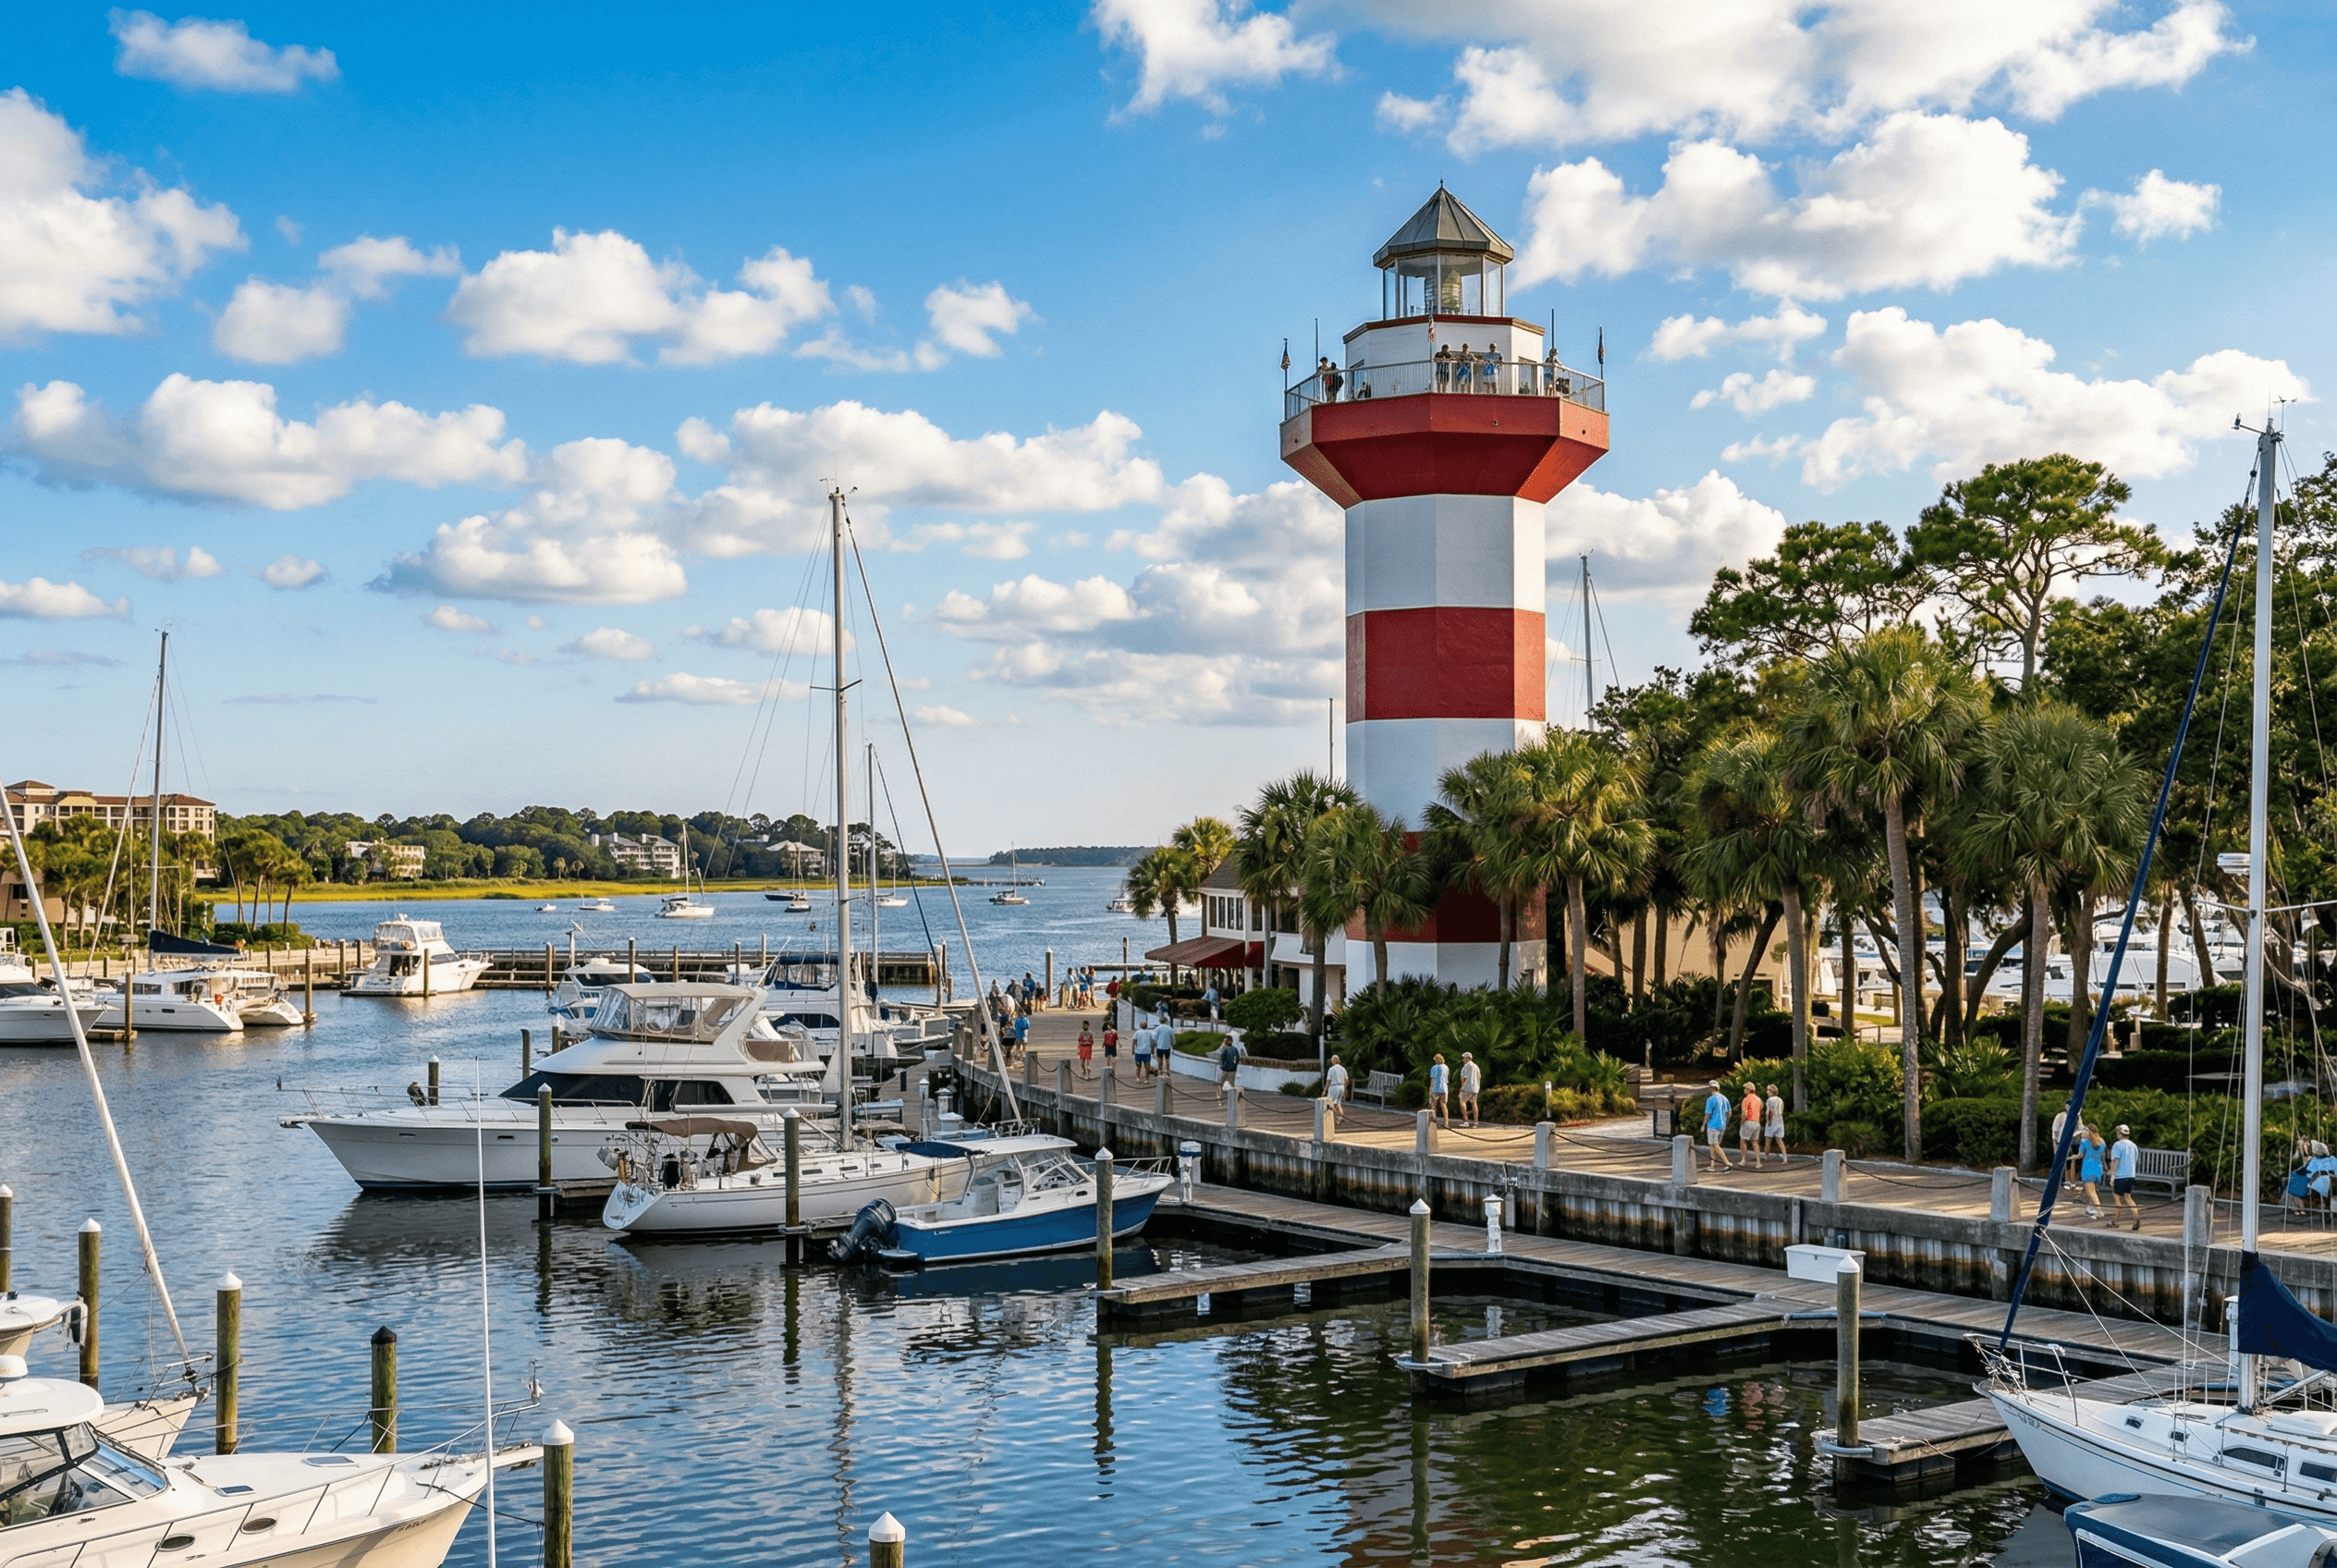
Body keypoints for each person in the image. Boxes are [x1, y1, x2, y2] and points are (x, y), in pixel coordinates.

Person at [2108, 1124, 2142, 1231]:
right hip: (2131, 1175)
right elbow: (2136, 1160)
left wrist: (2112, 1175)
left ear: (2119, 1133)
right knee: (2128, 1197)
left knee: (2117, 1198)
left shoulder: (2117, 1145)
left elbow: (2115, 1161)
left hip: (2120, 1175)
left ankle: (2116, 1221)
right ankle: (2136, 1218)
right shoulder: (2133, 1145)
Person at [1704, 1081, 1732, 1172]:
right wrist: (1725, 1121)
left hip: (1712, 1125)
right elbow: (1729, 1113)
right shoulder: (1724, 1098)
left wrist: (1703, 1125)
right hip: (1722, 1125)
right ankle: (1712, 1165)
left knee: (1714, 1145)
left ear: (1712, 1089)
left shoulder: (1710, 1099)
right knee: (1713, 1145)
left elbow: (1707, 1113)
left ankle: (1727, 1163)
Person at [2078, 1126, 2106, 1219]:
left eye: (2085, 1130)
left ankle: (2099, 1211)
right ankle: (2089, 1208)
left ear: (2089, 1132)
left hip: (2088, 1168)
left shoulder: (2084, 1142)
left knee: (2091, 1192)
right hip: (2098, 1168)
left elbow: (2080, 1155)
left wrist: (2071, 1157)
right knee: (2093, 1190)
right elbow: (2103, 1156)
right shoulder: (2102, 1142)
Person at [1740, 1084, 1765, 1167]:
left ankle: (1743, 1160)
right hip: (1756, 1122)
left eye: (1745, 1089)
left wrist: (1742, 1121)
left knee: (1743, 1140)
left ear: (1747, 1090)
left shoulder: (1746, 1099)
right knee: (1755, 1142)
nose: (1744, 1090)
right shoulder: (1759, 1099)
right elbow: (1760, 1110)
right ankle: (1758, 1162)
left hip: (1748, 1121)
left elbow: (1744, 1112)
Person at [1324, 1052, 1349, 1129]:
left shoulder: (1331, 1069)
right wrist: (1344, 1088)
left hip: (1334, 1087)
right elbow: (1347, 1080)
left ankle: (1338, 1117)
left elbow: (1328, 1081)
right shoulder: (1343, 1069)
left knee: (1330, 1104)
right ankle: (1340, 1117)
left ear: (1334, 1061)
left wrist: (1325, 1090)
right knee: (1338, 1103)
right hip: (1341, 1086)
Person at [1764, 1084, 1787, 1161]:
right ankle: (1785, 1157)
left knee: (1768, 1139)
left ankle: (1767, 1157)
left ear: (1771, 1091)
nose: (1767, 1092)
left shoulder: (1769, 1100)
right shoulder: (1780, 1100)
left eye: (1768, 1090)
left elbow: (1769, 1112)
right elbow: (1782, 1110)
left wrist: (1769, 1121)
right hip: (1780, 1121)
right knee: (1780, 1140)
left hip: (1772, 1121)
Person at [1458, 1051, 1482, 1127]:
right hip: (1475, 1088)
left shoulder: (1466, 1066)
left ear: (1468, 1058)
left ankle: (1466, 1120)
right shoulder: (1476, 1066)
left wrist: (1462, 1086)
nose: (1463, 1060)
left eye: (1464, 1058)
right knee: (1474, 1103)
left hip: (1468, 1087)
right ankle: (1475, 1122)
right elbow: (1480, 1077)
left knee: (1462, 1102)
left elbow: (1463, 1077)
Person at [1217, 1035, 1242, 1104]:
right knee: (1232, 1085)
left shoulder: (1224, 1049)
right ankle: (1233, 1100)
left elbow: (1221, 1058)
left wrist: (1221, 1065)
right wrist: (1234, 1066)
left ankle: (1220, 1100)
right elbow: (1237, 1059)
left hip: (1224, 1069)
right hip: (1232, 1070)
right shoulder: (1235, 1049)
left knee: (1220, 1084)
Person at [1428, 1054, 1450, 1126]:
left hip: (1435, 1088)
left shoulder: (1434, 1067)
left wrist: (1430, 1090)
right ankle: (1446, 1122)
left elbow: (1433, 1080)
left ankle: (1434, 1121)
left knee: (1433, 1105)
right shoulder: (1446, 1067)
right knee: (1443, 1105)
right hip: (1444, 1088)